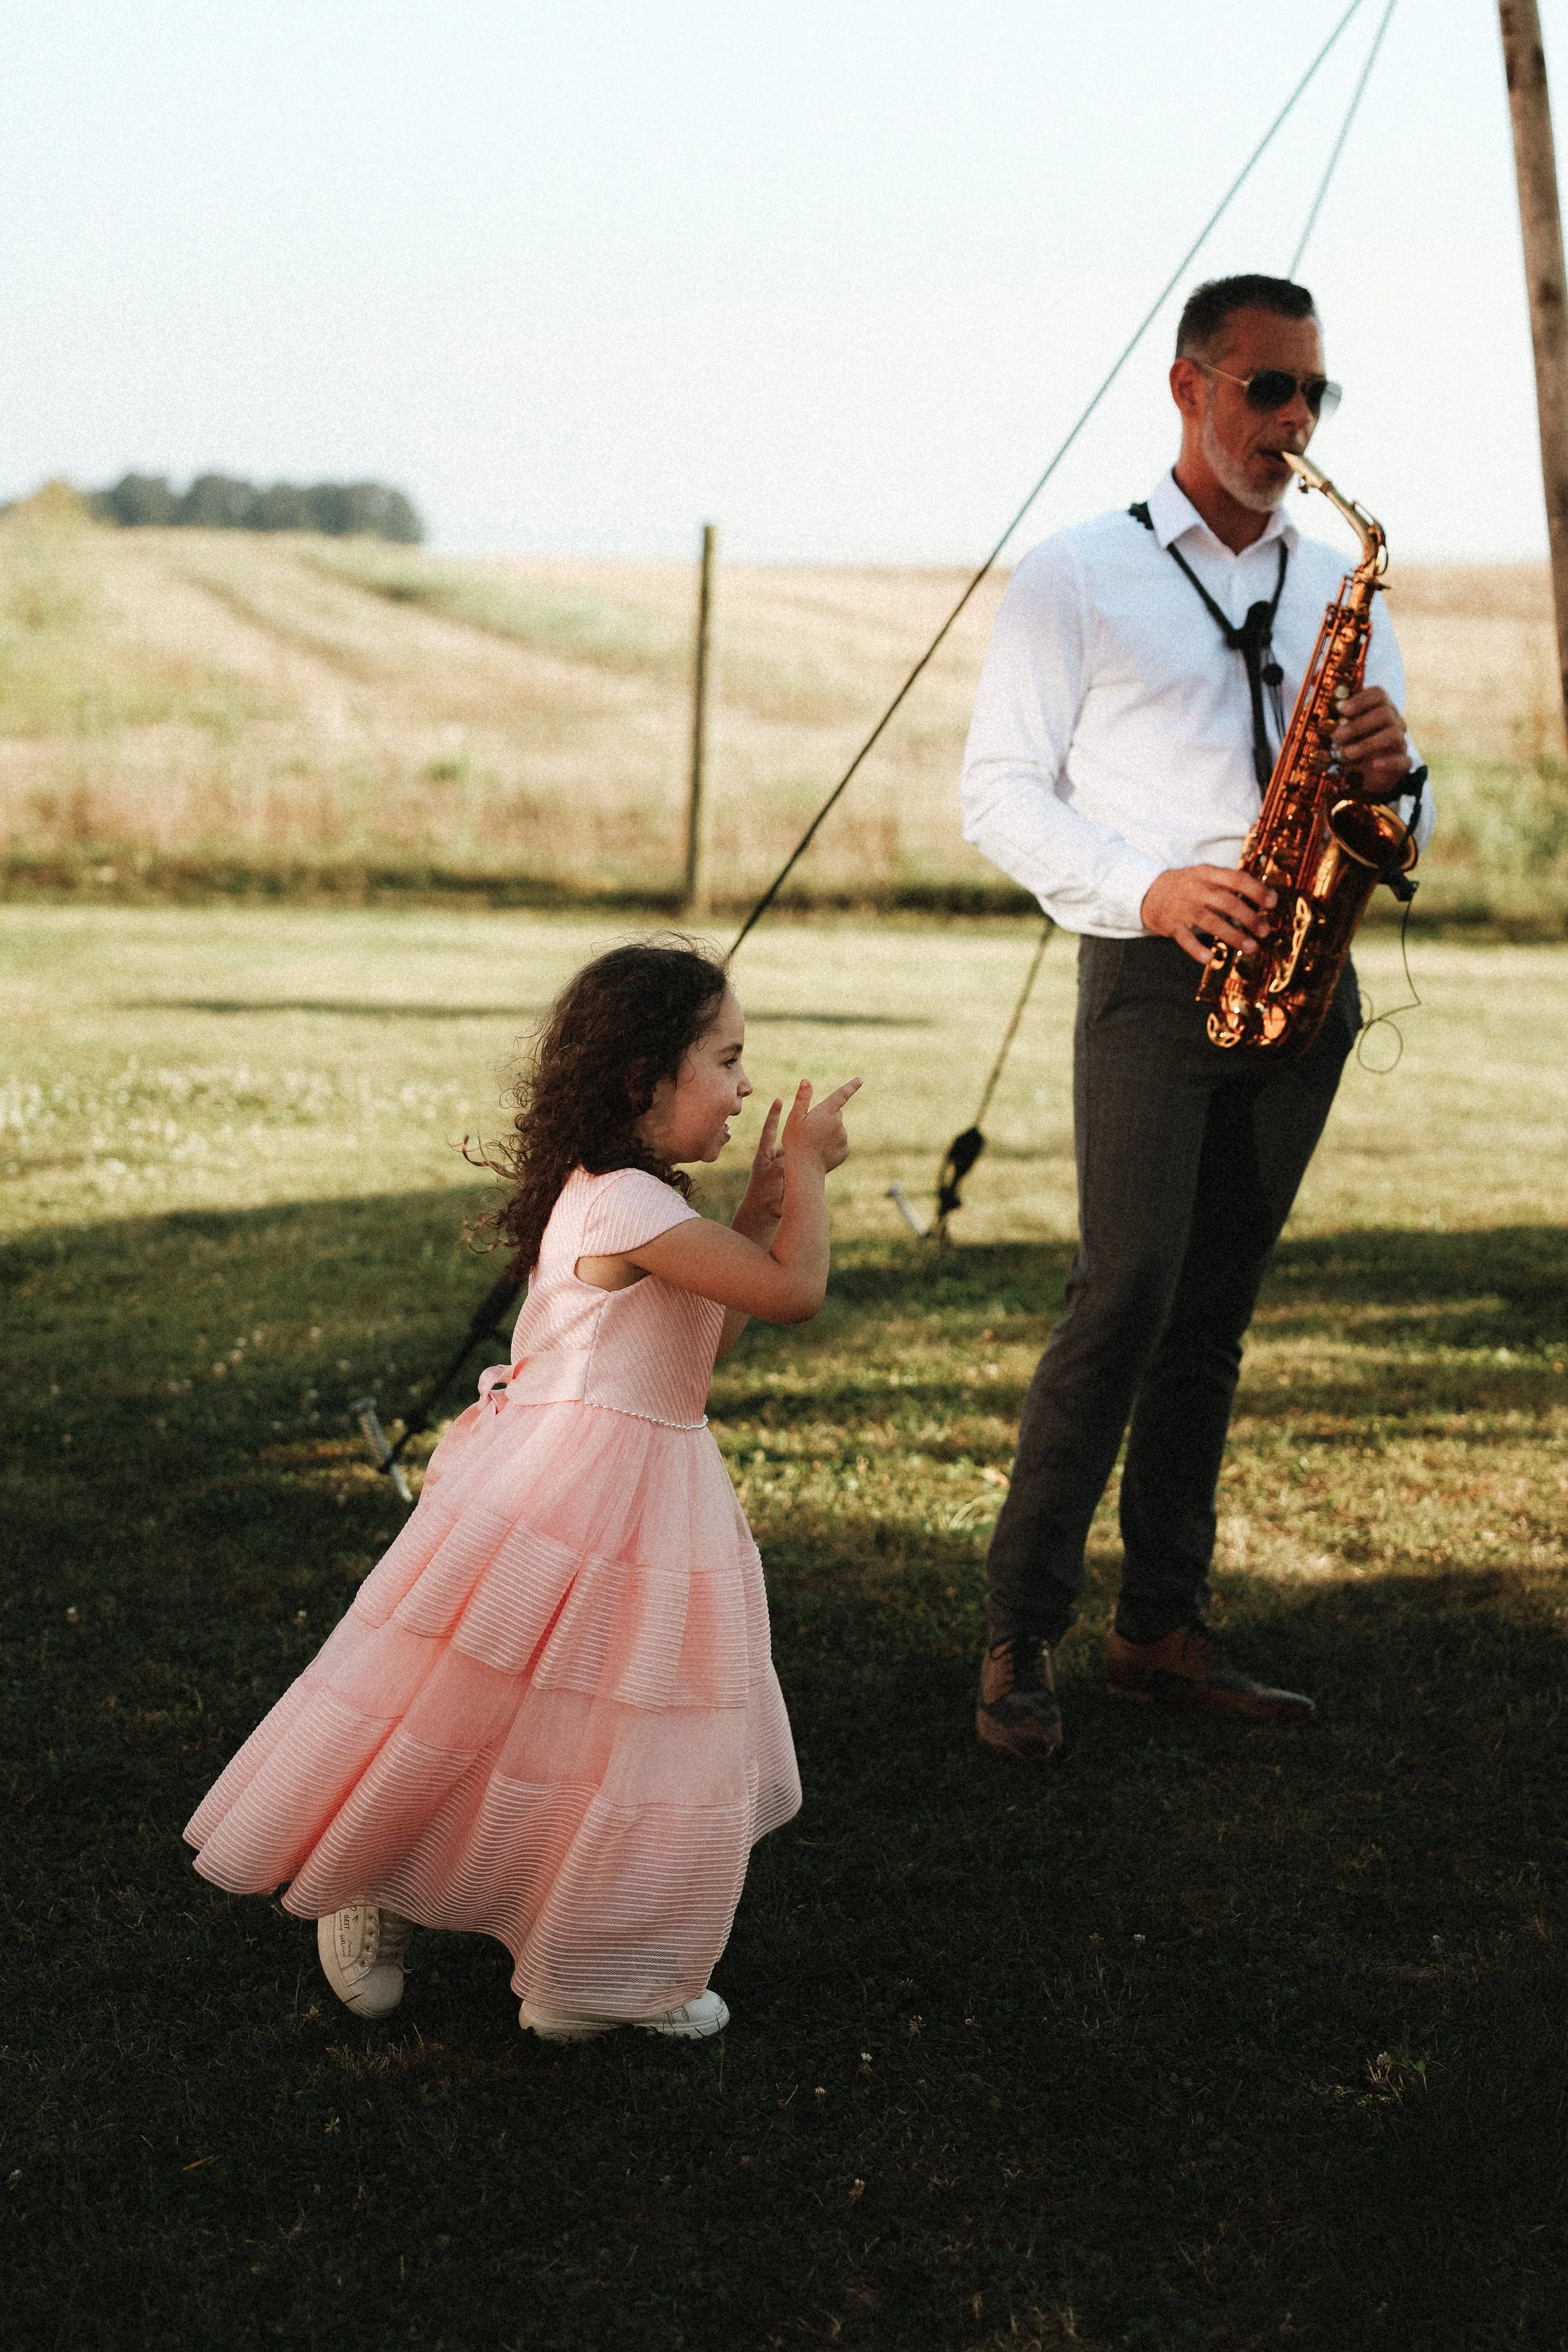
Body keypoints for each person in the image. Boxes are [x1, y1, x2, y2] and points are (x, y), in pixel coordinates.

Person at [186, 939, 860, 2039]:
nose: (745, 1088)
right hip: (568, 1496)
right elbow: (794, 1295)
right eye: (729, 1061)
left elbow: (710, 1331)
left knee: (615, 1729)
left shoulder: (643, 1200)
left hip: (653, 1490)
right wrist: (816, 1184)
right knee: (480, 1714)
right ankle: (377, 1883)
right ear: (647, 1078)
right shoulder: (621, 1205)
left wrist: (760, 1206)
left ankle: (591, 1960)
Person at [959, 273, 1434, 1761]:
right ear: (1186, 388)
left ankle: (1157, 1626)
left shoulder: (1331, 580)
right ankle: (1015, 1635)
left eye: (1313, 395)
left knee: (1211, 1315)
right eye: (1265, 390)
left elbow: (1399, 817)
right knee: (1124, 1295)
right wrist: (1148, 889)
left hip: (1306, 972)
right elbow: (994, 793)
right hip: (1156, 969)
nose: (1292, 422)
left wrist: (1393, 773)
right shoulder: (1074, 576)